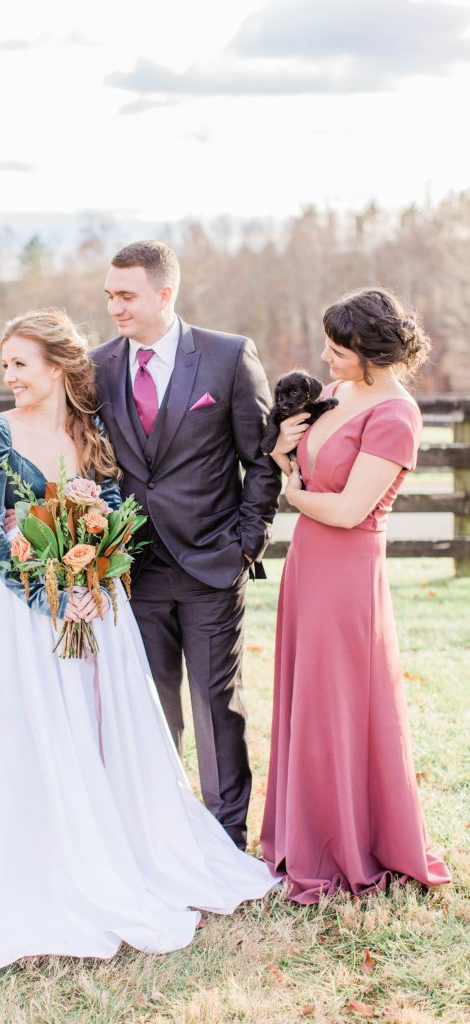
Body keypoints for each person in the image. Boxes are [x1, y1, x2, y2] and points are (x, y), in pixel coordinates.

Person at [0, 308, 278, 968]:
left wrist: (97, 571)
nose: (7, 377)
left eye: (19, 365)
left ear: (58, 367)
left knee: (98, 727)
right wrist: (49, 595)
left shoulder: (92, 429)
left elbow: (117, 508)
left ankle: (117, 842)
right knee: (25, 736)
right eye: (3, 364)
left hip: (95, 605)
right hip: (22, 613)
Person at [260, 287, 451, 903]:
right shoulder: (337, 394)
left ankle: (346, 837)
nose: (326, 357)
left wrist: (291, 491)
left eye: (338, 349)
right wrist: (285, 452)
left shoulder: (396, 416)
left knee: (337, 703)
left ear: (371, 353)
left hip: (346, 571)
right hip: (308, 566)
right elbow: (309, 465)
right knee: (306, 697)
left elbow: (346, 510)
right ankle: (304, 831)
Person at [92, 241, 281, 851]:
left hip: (211, 563)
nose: (115, 307)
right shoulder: (97, 367)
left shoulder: (228, 358)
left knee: (216, 707)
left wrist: (247, 542)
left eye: (127, 295)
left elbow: (262, 458)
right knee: (150, 708)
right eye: (110, 296)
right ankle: (163, 837)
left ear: (164, 294)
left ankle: (226, 841)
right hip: (132, 569)